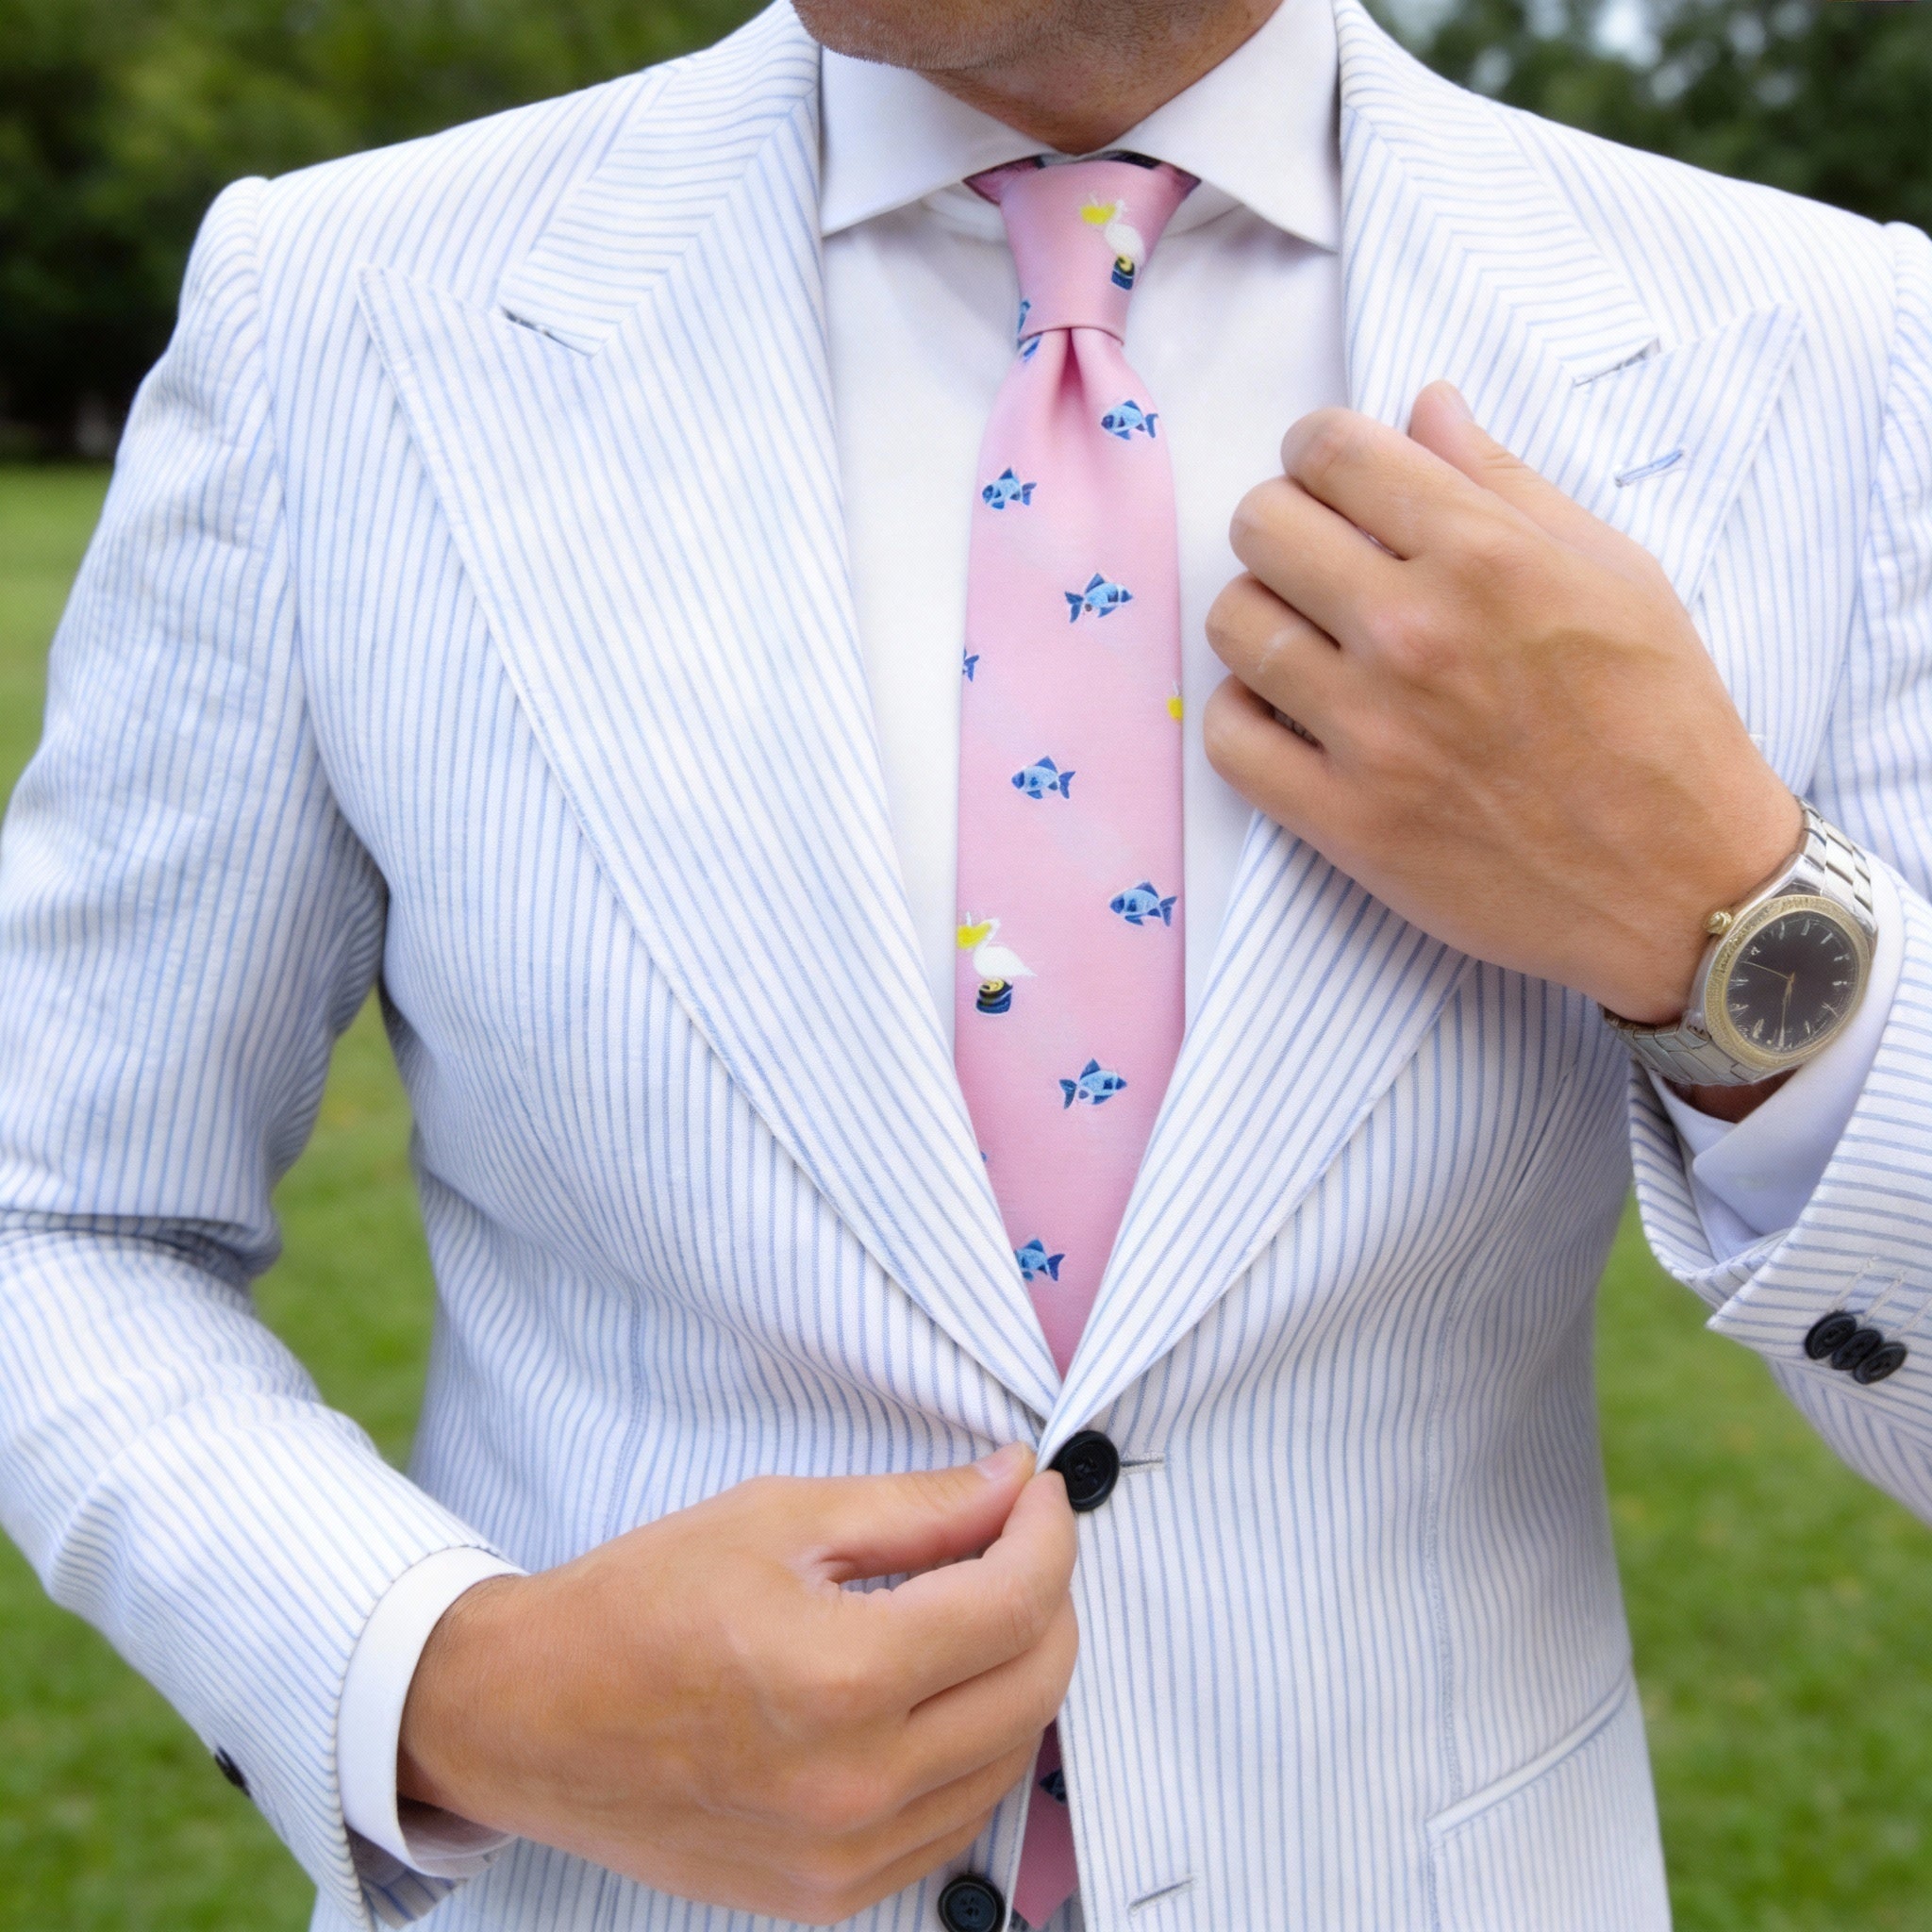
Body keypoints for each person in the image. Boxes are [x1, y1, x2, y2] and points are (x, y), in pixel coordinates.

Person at [2, 0, 1929, 1924]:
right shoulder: (332, 313)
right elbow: (58, 1211)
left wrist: (1728, 916)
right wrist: (456, 1684)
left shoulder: (1821, 347)